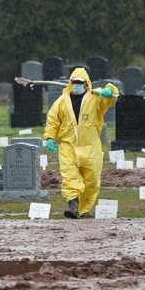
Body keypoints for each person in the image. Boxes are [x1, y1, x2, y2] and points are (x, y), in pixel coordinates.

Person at [43, 67, 119, 219]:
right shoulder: (61, 102)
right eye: (74, 82)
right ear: (70, 83)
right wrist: (50, 137)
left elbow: (112, 98)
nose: (77, 84)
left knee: (91, 180)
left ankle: (84, 210)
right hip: (68, 145)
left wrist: (110, 91)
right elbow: (53, 120)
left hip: (90, 146)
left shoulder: (95, 98)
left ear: (86, 84)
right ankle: (73, 207)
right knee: (70, 176)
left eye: (80, 82)